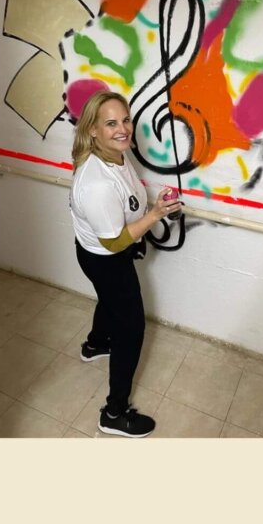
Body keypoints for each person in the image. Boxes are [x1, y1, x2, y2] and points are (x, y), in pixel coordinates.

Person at [70, 91, 182, 438]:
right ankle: (114, 413)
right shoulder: (97, 183)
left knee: (109, 300)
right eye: (111, 123)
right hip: (107, 259)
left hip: (101, 256)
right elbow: (115, 240)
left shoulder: (116, 156)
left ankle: (94, 344)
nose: (123, 129)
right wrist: (154, 215)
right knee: (131, 329)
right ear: (93, 131)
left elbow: (127, 201)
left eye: (126, 120)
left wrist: (151, 206)